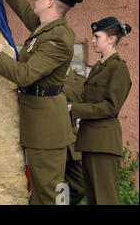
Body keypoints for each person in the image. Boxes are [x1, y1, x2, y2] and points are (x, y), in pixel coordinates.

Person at [0, 0, 83, 204]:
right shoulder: (50, 28)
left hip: (45, 130)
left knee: (48, 194)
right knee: (48, 191)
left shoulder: (56, 39)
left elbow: (25, 75)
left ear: (49, 3)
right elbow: (26, 11)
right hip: (46, 123)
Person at [68, 17, 132, 205]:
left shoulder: (117, 67)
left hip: (103, 142)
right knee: (95, 200)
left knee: (105, 199)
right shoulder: (101, 66)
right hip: (90, 141)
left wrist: (75, 109)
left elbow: (110, 106)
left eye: (97, 36)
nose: (93, 40)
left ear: (111, 39)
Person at [62, 67, 86, 205]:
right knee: (53, 184)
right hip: (49, 138)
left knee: (81, 183)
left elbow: (82, 101)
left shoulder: (80, 81)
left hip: (72, 138)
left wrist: (59, 86)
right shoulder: (40, 74)